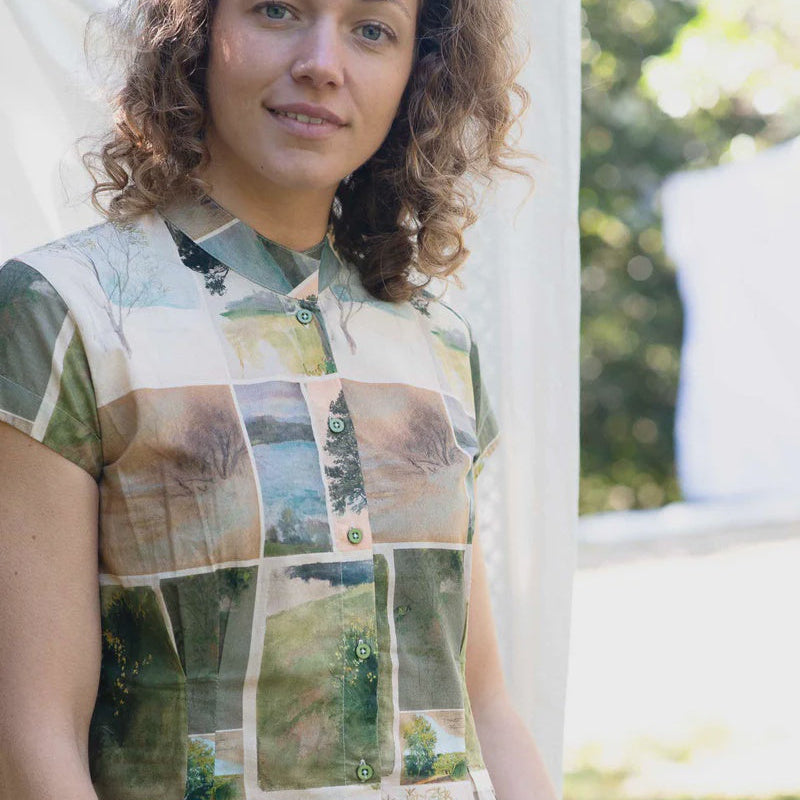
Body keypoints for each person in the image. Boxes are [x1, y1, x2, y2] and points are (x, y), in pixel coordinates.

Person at [0, 0, 558, 799]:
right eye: (277, 9)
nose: (322, 63)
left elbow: (486, 707)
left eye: (373, 29)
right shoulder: (65, 311)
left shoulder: (437, 342)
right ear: (196, 32)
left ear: (420, 71)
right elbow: (30, 740)